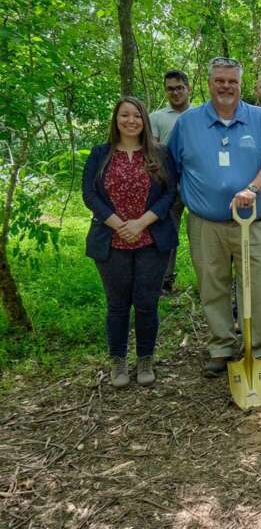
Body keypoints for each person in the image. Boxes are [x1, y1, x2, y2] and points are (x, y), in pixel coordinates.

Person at [167, 57, 261, 378]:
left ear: (240, 84)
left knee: (258, 287)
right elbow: (170, 167)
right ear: (209, 83)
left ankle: (256, 347)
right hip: (206, 224)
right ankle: (221, 347)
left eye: (232, 81)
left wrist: (252, 188)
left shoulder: (259, 118)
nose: (226, 86)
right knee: (213, 285)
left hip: (253, 222)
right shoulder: (188, 123)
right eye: (220, 80)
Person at [83, 96, 178, 387]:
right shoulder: (101, 154)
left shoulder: (159, 154)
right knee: (117, 305)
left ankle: (145, 360)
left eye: (136, 116)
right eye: (125, 116)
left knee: (147, 303)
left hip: (151, 239)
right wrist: (118, 224)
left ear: (144, 121)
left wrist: (141, 222)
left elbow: (170, 193)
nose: (131, 121)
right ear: (116, 120)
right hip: (111, 241)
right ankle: (118, 362)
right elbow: (89, 194)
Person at [150, 69, 191, 293]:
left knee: (203, 232)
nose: (175, 93)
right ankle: (165, 280)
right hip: (168, 184)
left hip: (196, 182)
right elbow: (153, 150)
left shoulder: (200, 114)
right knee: (169, 230)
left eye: (179, 88)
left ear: (188, 88)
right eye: (170, 89)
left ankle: (207, 278)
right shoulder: (156, 117)